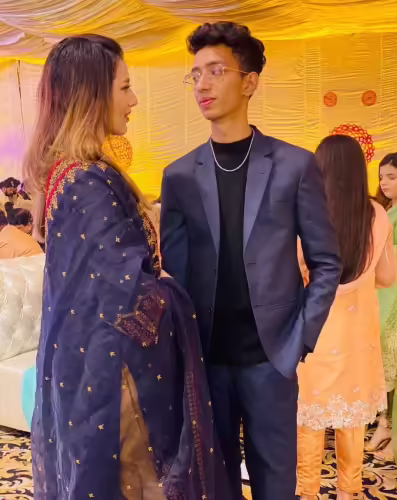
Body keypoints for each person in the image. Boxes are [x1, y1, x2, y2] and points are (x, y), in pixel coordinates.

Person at [24, 35, 230, 500]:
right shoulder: (88, 181)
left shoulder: (65, 173)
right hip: (113, 379)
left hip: (86, 365)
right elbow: (131, 303)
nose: (134, 100)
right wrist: (179, 285)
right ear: (92, 95)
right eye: (124, 87)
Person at [161, 21, 341, 500]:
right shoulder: (179, 175)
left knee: (276, 484)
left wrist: (300, 339)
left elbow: (327, 262)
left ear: (250, 82)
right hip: (206, 362)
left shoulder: (294, 165)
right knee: (212, 485)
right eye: (195, 73)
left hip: (271, 359)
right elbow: (176, 275)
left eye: (216, 71)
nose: (202, 84)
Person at [296, 135, 397, 499]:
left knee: (309, 422)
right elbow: (388, 276)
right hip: (358, 337)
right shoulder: (378, 215)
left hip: (314, 334)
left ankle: (307, 492)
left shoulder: (305, 213)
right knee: (351, 421)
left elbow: (293, 273)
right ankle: (349, 492)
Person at [366, 153, 397, 462]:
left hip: (396, 294)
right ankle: (383, 422)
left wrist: (380, 248)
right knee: (380, 358)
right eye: (381, 177)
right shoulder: (385, 209)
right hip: (380, 291)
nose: (384, 182)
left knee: (392, 358)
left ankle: (391, 429)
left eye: (392, 176)